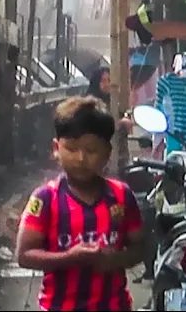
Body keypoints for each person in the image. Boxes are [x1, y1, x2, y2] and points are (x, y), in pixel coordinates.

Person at [15, 96, 146, 311]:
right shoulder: (45, 198)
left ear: (107, 153)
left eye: (91, 150)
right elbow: (24, 255)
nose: (81, 158)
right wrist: (70, 258)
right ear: (56, 148)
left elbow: (140, 247)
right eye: (72, 149)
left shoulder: (122, 196)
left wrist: (116, 259)